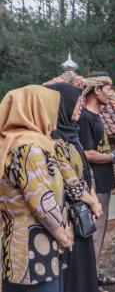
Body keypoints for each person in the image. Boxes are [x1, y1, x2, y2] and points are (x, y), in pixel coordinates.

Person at [0, 85, 74, 292]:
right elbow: (41, 200)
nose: (53, 115)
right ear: (36, 109)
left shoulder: (11, 143)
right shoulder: (28, 148)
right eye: (50, 108)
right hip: (33, 246)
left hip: (22, 241)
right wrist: (63, 234)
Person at [45, 83, 104, 292]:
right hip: (69, 214)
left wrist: (93, 196)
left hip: (83, 211)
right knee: (73, 268)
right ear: (63, 105)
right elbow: (67, 175)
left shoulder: (73, 133)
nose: (80, 105)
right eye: (76, 102)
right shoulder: (54, 138)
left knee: (85, 264)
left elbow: (86, 171)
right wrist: (90, 200)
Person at [78, 73, 115, 286]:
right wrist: (113, 157)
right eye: (108, 89)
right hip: (94, 183)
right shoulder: (85, 118)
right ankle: (89, 281)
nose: (111, 94)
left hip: (104, 181)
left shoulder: (97, 116)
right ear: (96, 90)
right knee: (94, 234)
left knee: (101, 233)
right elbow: (86, 153)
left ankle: (93, 272)